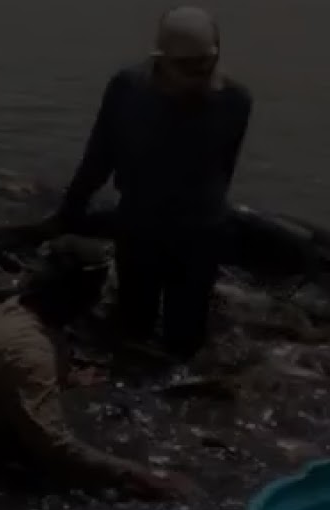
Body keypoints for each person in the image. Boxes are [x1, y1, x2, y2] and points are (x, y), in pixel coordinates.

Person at [51, 6, 252, 361]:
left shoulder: (235, 101)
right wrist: (71, 208)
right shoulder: (128, 90)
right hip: (140, 222)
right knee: (133, 323)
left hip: (199, 229)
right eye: (187, 68)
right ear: (162, 60)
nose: (196, 76)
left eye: (203, 66)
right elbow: (100, 154)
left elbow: (224, 168)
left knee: (186, 336)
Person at [0, 238, 194, 500]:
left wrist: (67, 377)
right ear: (76, 293)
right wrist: (138, 475)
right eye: (96, 289)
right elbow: (53, 445)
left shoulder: (20, 308)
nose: (99, 297)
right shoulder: (29, 351)